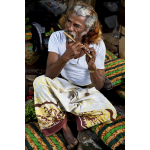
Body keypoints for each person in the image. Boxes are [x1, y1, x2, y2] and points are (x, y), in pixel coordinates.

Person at [33, 1, 117, 149]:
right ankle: (65, 127)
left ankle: (63, 109)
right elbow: (49, 74)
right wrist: (66, 56)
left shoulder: (98, 45)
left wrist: (92, 68)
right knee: (39, 82)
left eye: (77, 26)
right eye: (69, 21)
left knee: (109, 113)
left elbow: (98, 85)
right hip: (62, 85)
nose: (69, 28)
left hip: (85, 90)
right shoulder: (56, 37)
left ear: (88, 29)